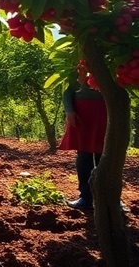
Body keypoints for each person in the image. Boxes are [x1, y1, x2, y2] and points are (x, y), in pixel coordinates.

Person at [58, 71, 107, 210]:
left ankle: (111, 197)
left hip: (105, 111)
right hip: (82, 113)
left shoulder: (112, 62)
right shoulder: (78, 64)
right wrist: (69, 111)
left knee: (105, 156)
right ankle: (86, 197)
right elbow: (68, 91)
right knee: (84, 156)